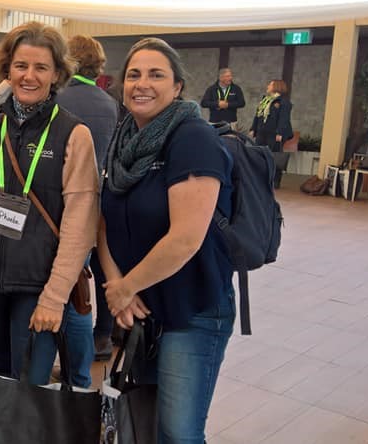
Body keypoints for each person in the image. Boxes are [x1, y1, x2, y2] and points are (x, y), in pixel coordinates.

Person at [99, 37, 234, 443]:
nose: (142, 84)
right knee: (145, 425)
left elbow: (185, 239)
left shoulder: (193, 139)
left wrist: (126, 287)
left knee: (178, 434)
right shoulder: (123, 140)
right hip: (143, 308)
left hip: (190, 309)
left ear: (177, 87)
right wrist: (117, 285)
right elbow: (103, 221)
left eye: (157, 75)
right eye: (134, 75)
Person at [0, 22, 99, 388]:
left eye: (40, 68)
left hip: (38, 285)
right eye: (21, 66)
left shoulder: (74, 134)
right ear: (8, 70)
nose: (29, 76)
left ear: (57, 74)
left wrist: (54, 296)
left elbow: (80, 226)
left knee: (29, 386)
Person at [54, 34, 119, 379]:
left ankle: (69, 358)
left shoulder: (59, 98)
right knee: (105, 268)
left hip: (66, 201)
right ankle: (103, 336)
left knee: (73, 275)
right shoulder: (108, 103)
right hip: (103, 195)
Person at [250, 79, 293, 187]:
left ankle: (275, 180)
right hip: (262, 132)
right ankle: (260, 178)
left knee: (274, 156)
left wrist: (280, 133)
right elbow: (258, 116)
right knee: (259, 154)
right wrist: (253, 128)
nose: (268, 86)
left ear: (276, 87)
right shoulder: (264, 100)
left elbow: (284, 119)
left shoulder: (283, 102)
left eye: (270, 84)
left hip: (274, 134)